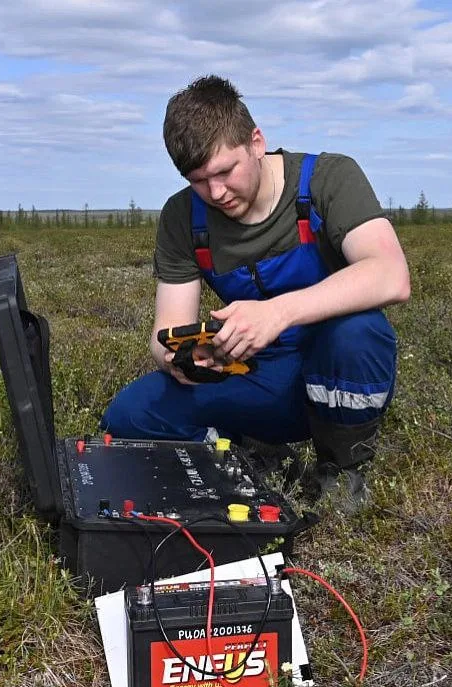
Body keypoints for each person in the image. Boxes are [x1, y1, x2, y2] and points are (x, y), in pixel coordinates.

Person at [101, 75, 411, 509]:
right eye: (198, 180)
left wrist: (278, 314)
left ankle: (342, 468)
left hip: (331, 372)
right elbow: (166, 333)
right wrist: (189, 357)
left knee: (358, 332)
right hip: (255, 376)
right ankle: (248, 453)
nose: (216, 192)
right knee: (129, 416)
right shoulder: (181, 218)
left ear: (257, 142)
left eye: (226, 171)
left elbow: (391, 275)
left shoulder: (328, 179)